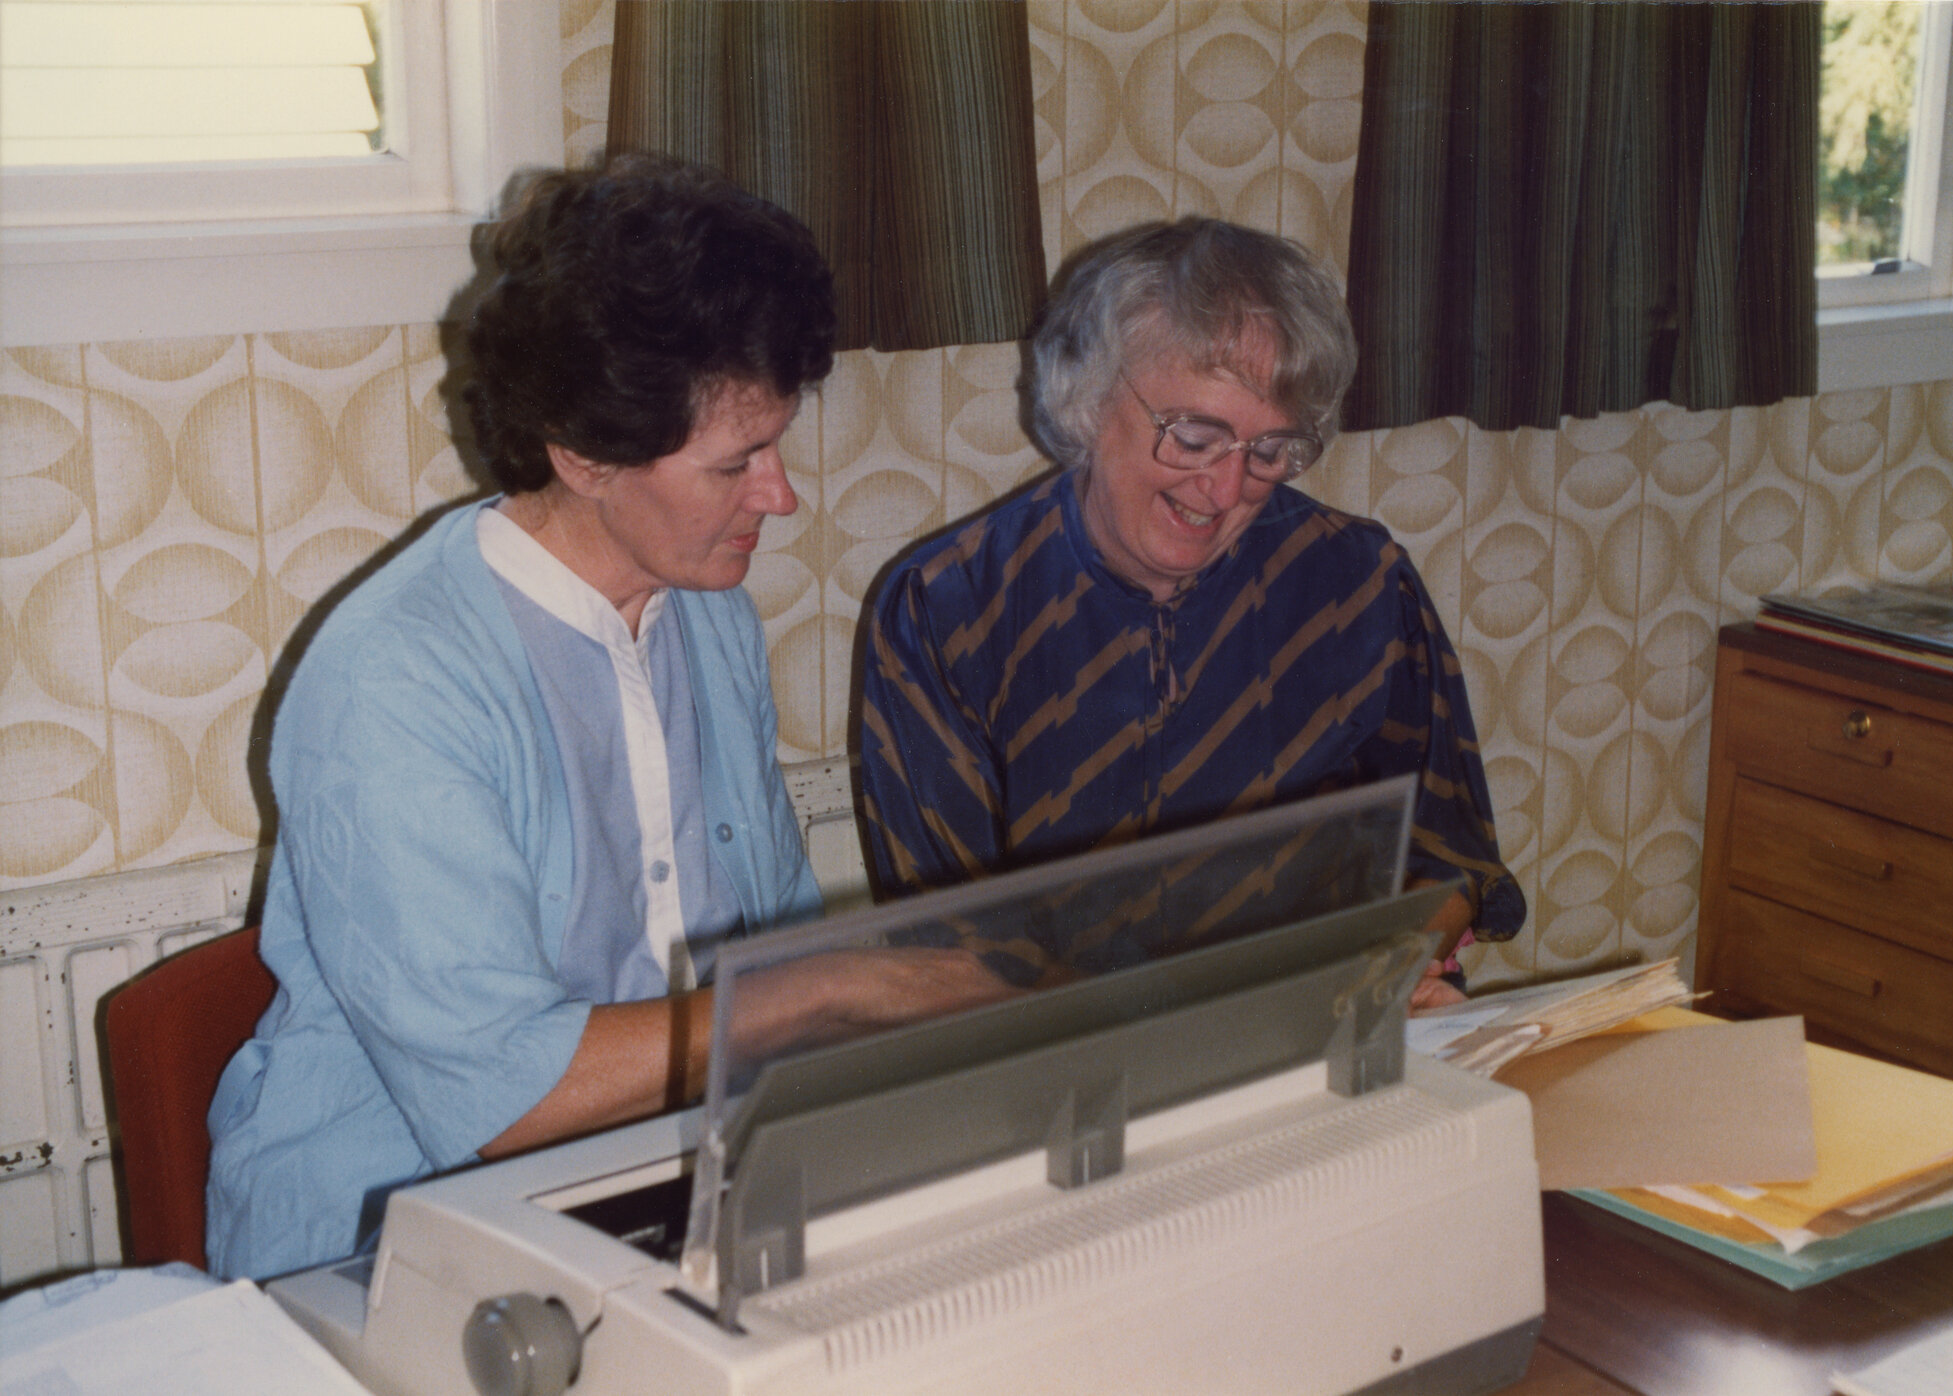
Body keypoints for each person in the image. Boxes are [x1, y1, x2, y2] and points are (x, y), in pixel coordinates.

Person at [207, 156, 1004, 1282]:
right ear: (581, 454)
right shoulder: (395, 684)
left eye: (776, 444)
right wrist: (838, 987)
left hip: (639, 1201)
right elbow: (506, 1097)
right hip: (375, 1255)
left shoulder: (704, 614)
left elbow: (762, 935)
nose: (779, 496)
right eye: (736, 462)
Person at [858, 217, 1524, 1006]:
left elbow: (1448, 856)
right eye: (1195, 435)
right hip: (1064, 1062)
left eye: (1269, 449)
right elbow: (949, 954)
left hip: (1328, 1025)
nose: (1224, 488)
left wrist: (1400, 960)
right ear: (1087, 399)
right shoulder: (947, 611)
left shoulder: (1356, 582)